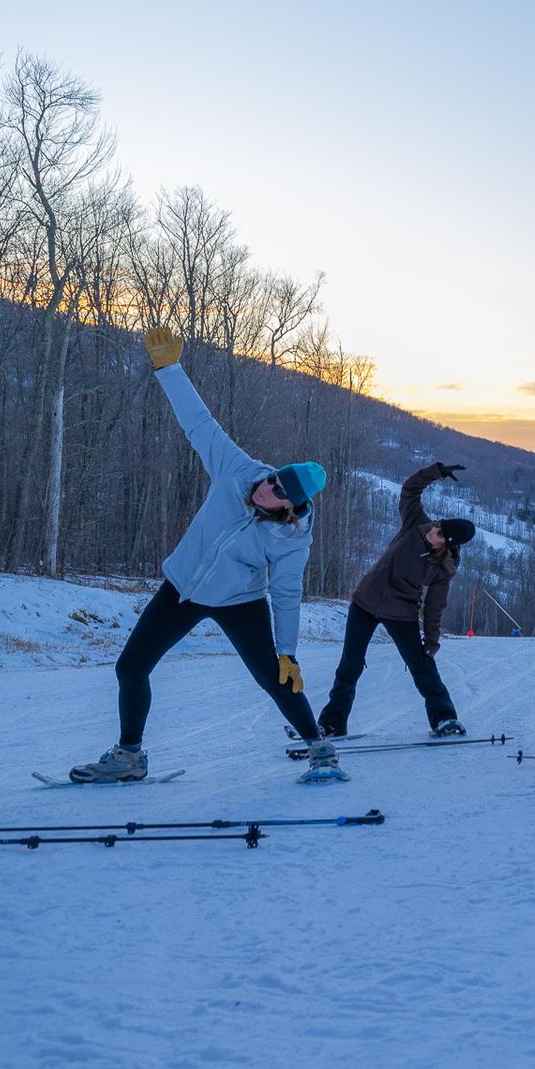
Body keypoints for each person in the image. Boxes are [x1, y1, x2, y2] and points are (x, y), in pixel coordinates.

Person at [67, 327, 347, 784]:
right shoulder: (239, 470)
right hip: (183, 588)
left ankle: (320, 748)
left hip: (240, 601)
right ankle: (129, 756)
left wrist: (289, 651)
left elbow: (287, 593)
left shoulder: (294, 538)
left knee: (274, 678)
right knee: (131, 667)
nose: (267, 488)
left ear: (291, 507)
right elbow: (200, 422)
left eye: (279, 491)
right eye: (274, 478)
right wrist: (168, 367)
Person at [316, 460, 477, 738]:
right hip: (364, 602)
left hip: (400, 613)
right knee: (349, 665)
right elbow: (410, 489)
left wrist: (432, 640)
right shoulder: (416, 523)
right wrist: (436, 472)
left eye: (439, 532)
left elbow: (434, 608)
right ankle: (332, 724)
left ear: (447, 543)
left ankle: (444, 719)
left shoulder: (442, 568)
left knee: (422, 665)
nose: (432, 529)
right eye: (437, 524)